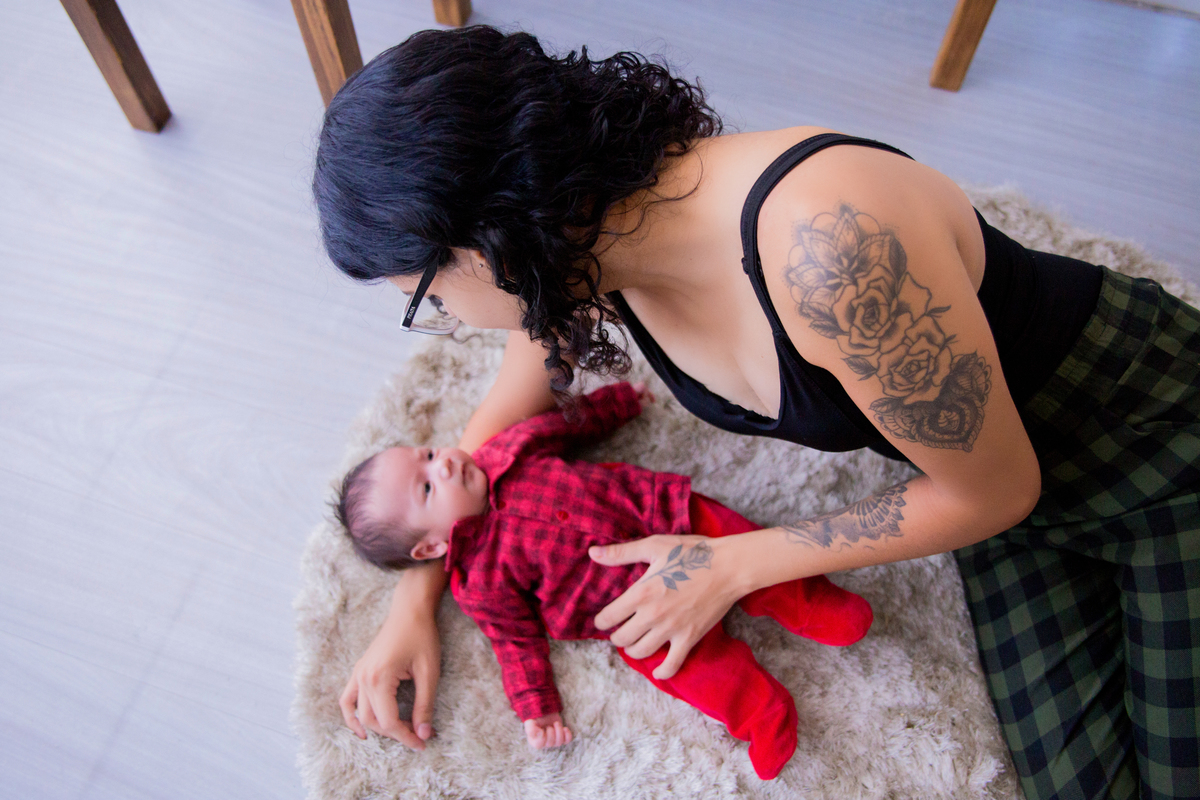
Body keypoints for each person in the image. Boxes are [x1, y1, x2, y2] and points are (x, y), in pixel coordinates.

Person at [314, 25, 1200, 800]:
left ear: (486, 243)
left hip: (1146, 438)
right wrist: (417, 594)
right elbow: (515, 403)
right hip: (995, 492)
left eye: (425, 295)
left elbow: (994, 490)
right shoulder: (584, 244)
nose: (446, 320)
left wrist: (730, 565)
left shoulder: (832, 249)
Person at [334, 380, 873, 779]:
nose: (445, 465)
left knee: (737, 540)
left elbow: (567, 424)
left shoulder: (504, 452)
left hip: (657, 512)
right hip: (626, 608)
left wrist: (619, 403)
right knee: (686, 668)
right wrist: (536, 705)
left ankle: (810, 600)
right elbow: (514, 641)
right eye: (427, 488)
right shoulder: (478, 582)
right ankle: (759, 710)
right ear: (431, 546)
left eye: (428, 455)